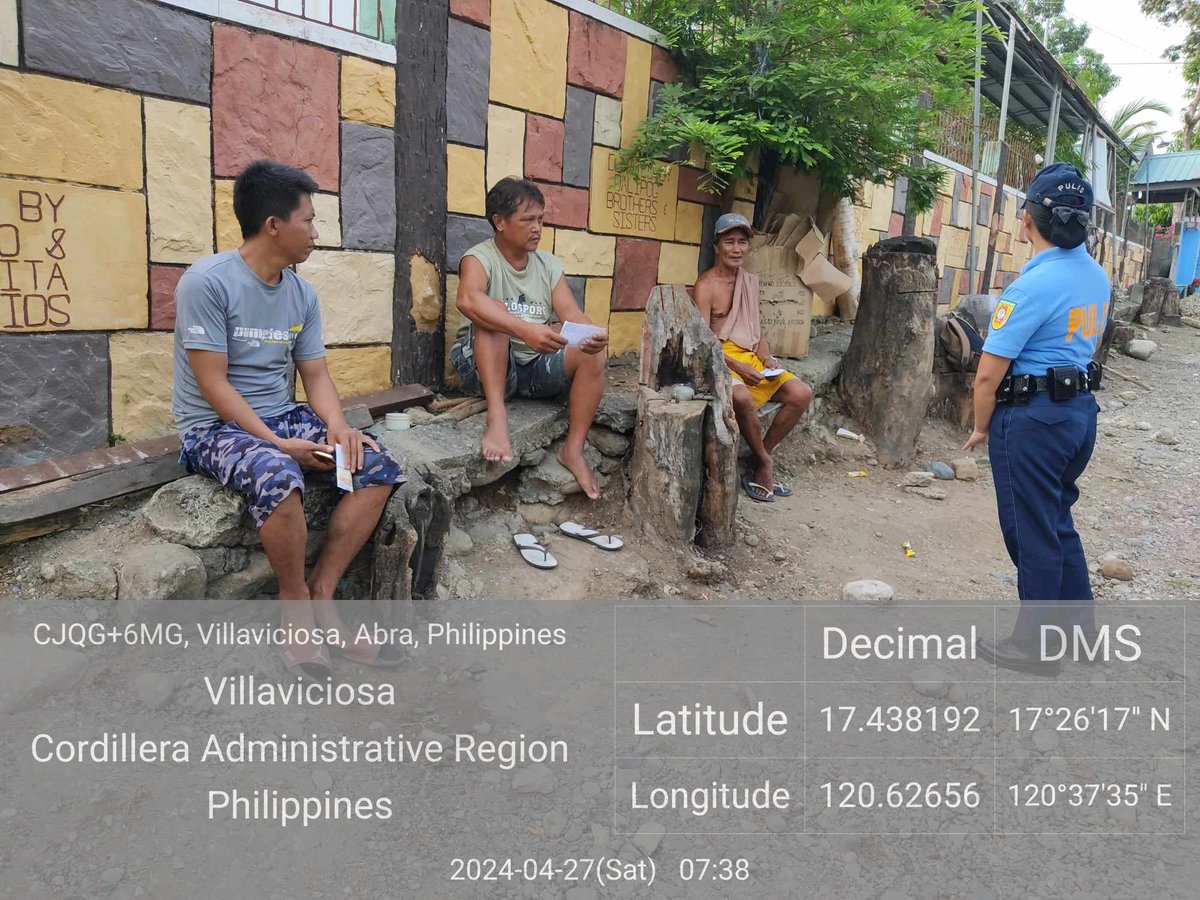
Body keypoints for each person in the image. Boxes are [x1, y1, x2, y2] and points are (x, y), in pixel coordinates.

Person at [172, 159, 405, 679]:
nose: (316, 234)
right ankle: (294, 601)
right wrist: (278, 444)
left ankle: (324, 592)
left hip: (280, 414)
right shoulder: (206, 283)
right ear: (273, 224)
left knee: (375, 463)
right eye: (310, 220)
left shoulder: (301, 292)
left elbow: (316, 376)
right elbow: (214, 385)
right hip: (213, 428)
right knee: (279, 477)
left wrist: (339, 426)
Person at [963, 163, 1108, 675]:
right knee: (1055, 519)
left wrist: (981, 428)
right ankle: (1080, 633)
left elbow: (987, 375)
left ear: (1027, 219)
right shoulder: (1095, 275)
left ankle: (1036, 648)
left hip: (1033, 419)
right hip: (1078, 416)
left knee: (1030, 531)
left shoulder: (1030, 287)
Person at [451, 177, 609, 498]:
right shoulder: (479, 258)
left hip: (534, 369)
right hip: (485, 369)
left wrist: (590, 335)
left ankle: (573, 451)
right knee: (492, 313)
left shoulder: (548, 264)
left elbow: (570, 313)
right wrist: (523, 329)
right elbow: (467, 299)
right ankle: (497, 418)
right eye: (527, 220)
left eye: (540, 219)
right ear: (499, 222)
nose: (537, 227)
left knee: (591, 351)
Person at [693, 212, 813, 502]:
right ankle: (765, 463)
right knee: (743, 398)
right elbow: (702, 342)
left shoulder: (749, 281)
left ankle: (758, 458)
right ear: (717, 247)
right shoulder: (706, 285)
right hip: (719, 360)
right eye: (730, 242)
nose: (737, 249)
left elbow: (755, 330)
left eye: (742, 243)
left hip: (750, 357)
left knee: (801, 393)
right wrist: (736, 366)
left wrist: (767, 358)